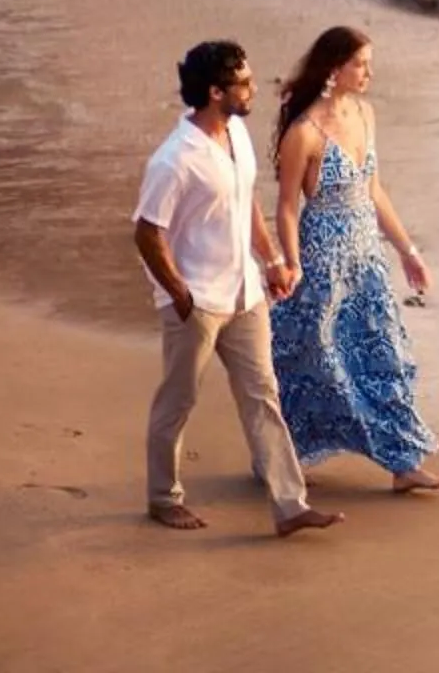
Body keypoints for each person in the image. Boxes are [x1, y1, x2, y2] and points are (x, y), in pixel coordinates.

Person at [133, 39, 343, 536]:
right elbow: (146, 231)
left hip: (245, 293)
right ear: (213, 91)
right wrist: (180, 294)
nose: (253, 89)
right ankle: (164, 498)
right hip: (197, 302)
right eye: (243, 83)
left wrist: (270, 259)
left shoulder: (238, 133)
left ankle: (290, 505)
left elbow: (246, 200)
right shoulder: (174, 160)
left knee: (262, 395)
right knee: (179, 399)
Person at [271, 25, 439, 493]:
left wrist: (408, 251)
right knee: (319, 361)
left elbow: (374, 191)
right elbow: (287, 206)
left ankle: (403, 464)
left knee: (383, 351)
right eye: (360, 64)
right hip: (322, 257)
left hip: (365, 255)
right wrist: (290, 263)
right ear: (335, 69)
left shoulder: (366, 114)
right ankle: (281, 455)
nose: (369, 72)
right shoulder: (304, 132)